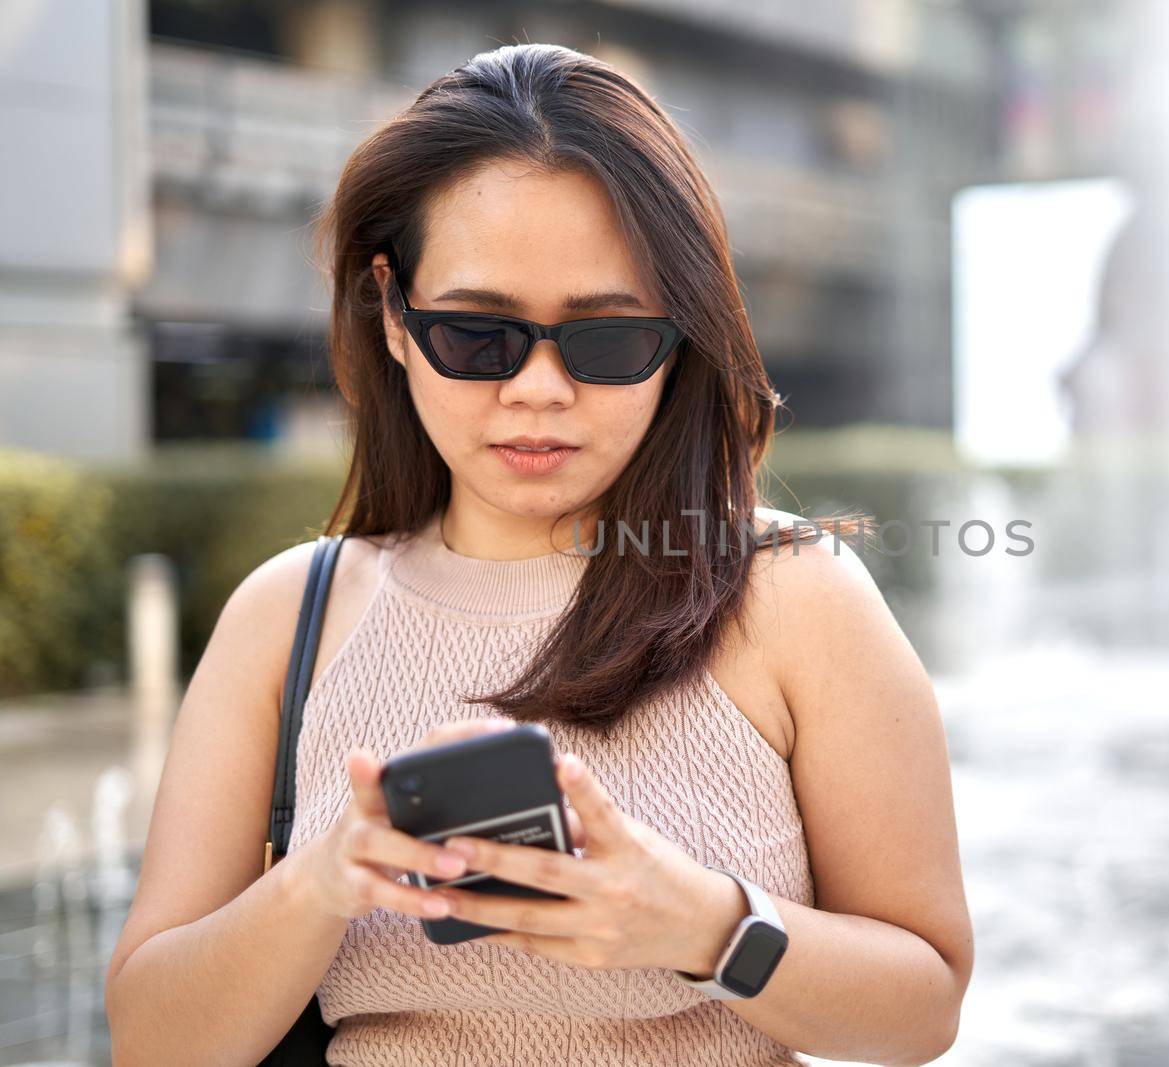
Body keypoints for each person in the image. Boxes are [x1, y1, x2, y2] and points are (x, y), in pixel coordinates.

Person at [103, 42, 972, 1066]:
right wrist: (323, 878)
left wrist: (706, 926)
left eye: (606, 342)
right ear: (391, 313)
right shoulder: (289, 614)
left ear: (678, 335)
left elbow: (923, 1009)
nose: (540, 390)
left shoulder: (793, 596)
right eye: (478, 336)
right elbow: (152, 1040)